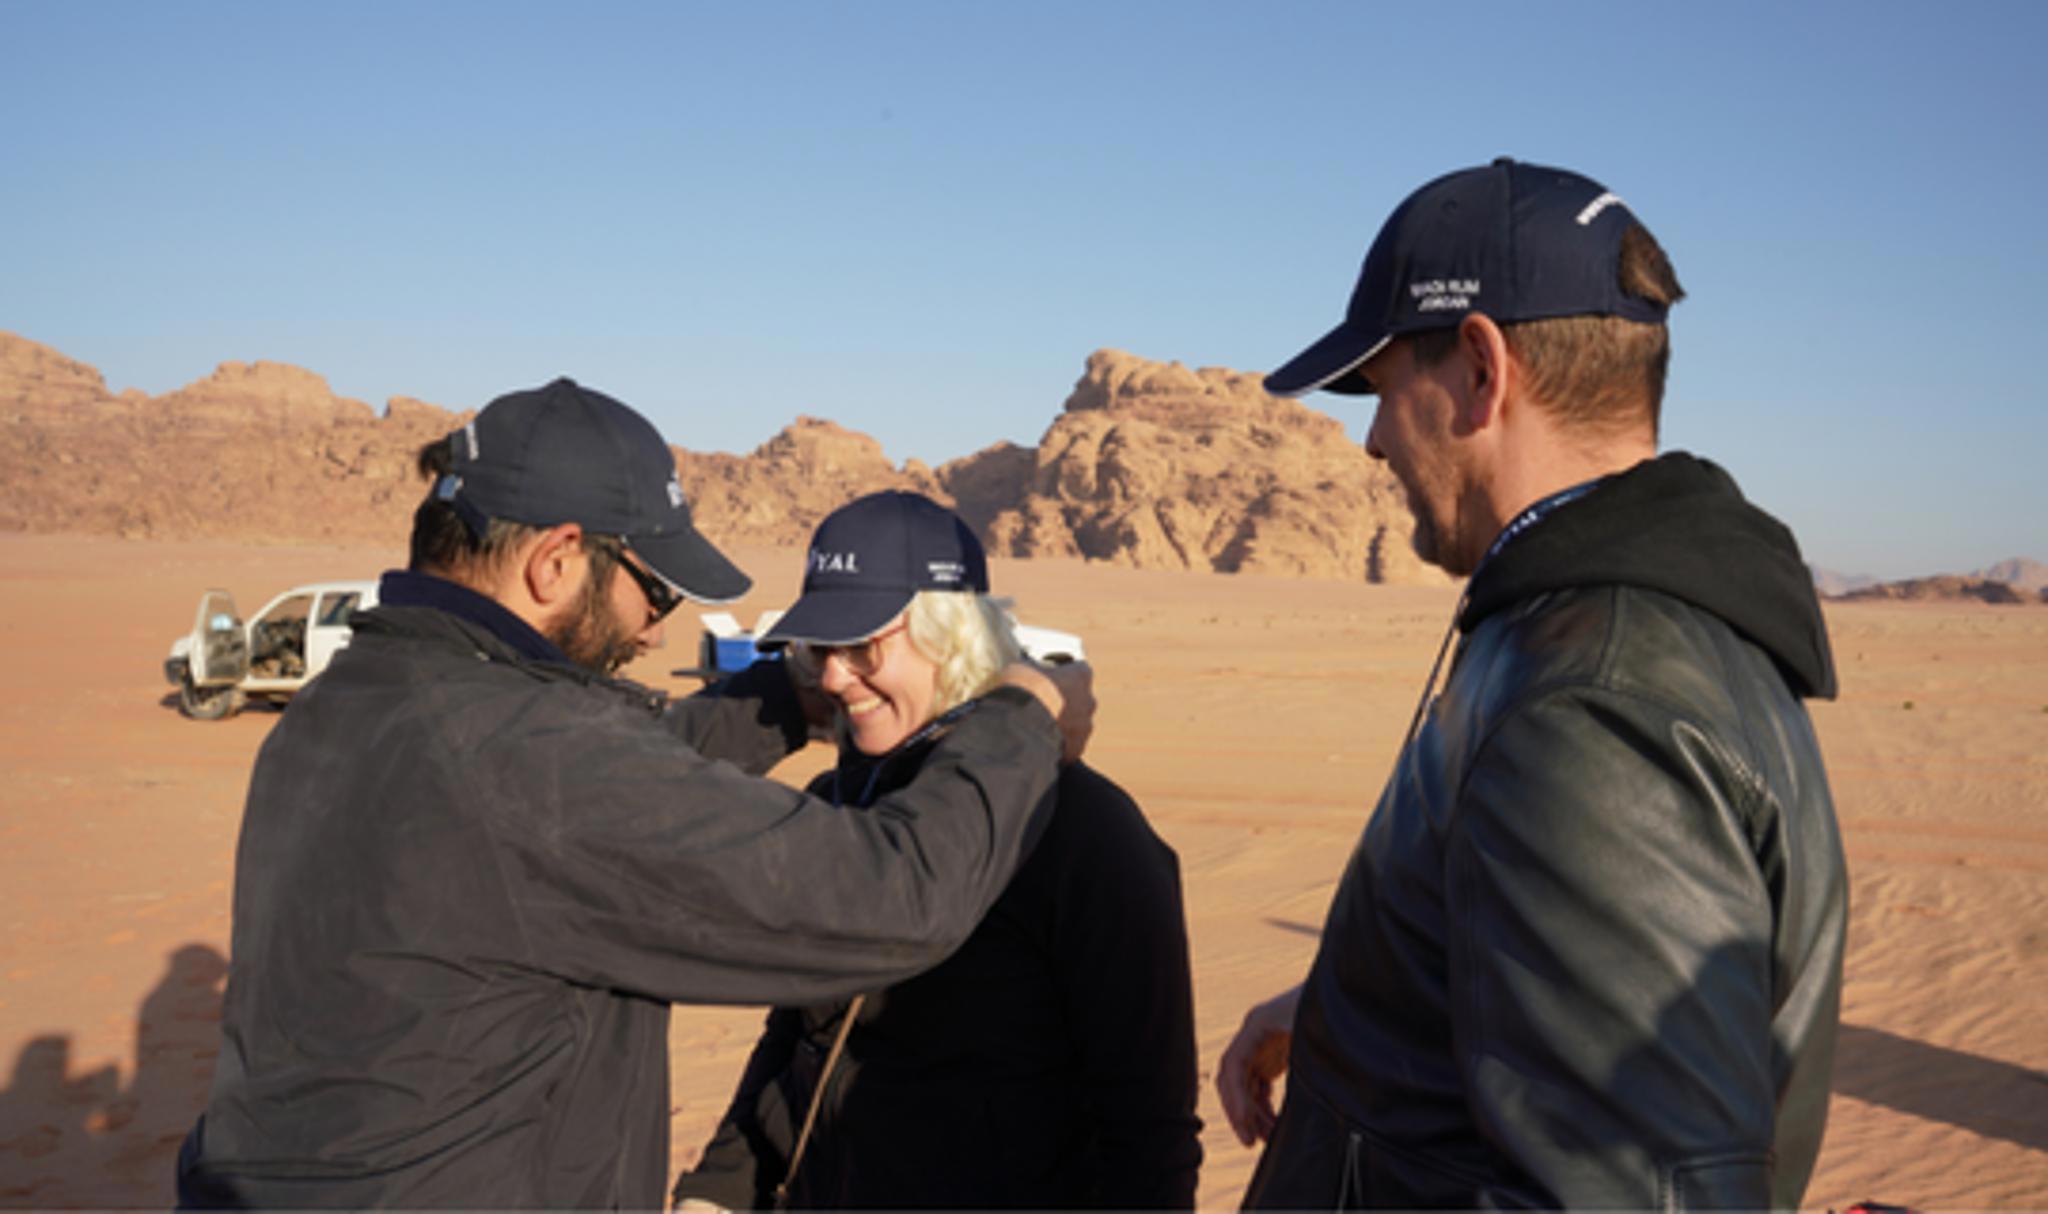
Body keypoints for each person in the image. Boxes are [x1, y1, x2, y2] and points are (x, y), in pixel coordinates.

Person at [174, 379, 1092, 1208]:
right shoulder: (525, 755)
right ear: (557, 561)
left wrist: (788, 695)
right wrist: (1023, 718)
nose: (656, 634)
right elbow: (888, 899)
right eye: (654, 592)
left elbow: (603, 780)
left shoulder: (352, 705)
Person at [1214, 160, 1848, 1209]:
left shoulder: (1589, 711)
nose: (1369, 440)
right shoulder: (1611, 629)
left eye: (1379, 390)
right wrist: (1356, 1003)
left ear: (1477, 367)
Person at [671, 491, 1202, 1210]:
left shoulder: (1085, 832)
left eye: (862, 646)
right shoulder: (841, 796)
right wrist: (717, 1193)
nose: (831, 676)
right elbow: (798, 1040)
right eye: (821, 648)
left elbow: (1149, 1134)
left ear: (951, 633)